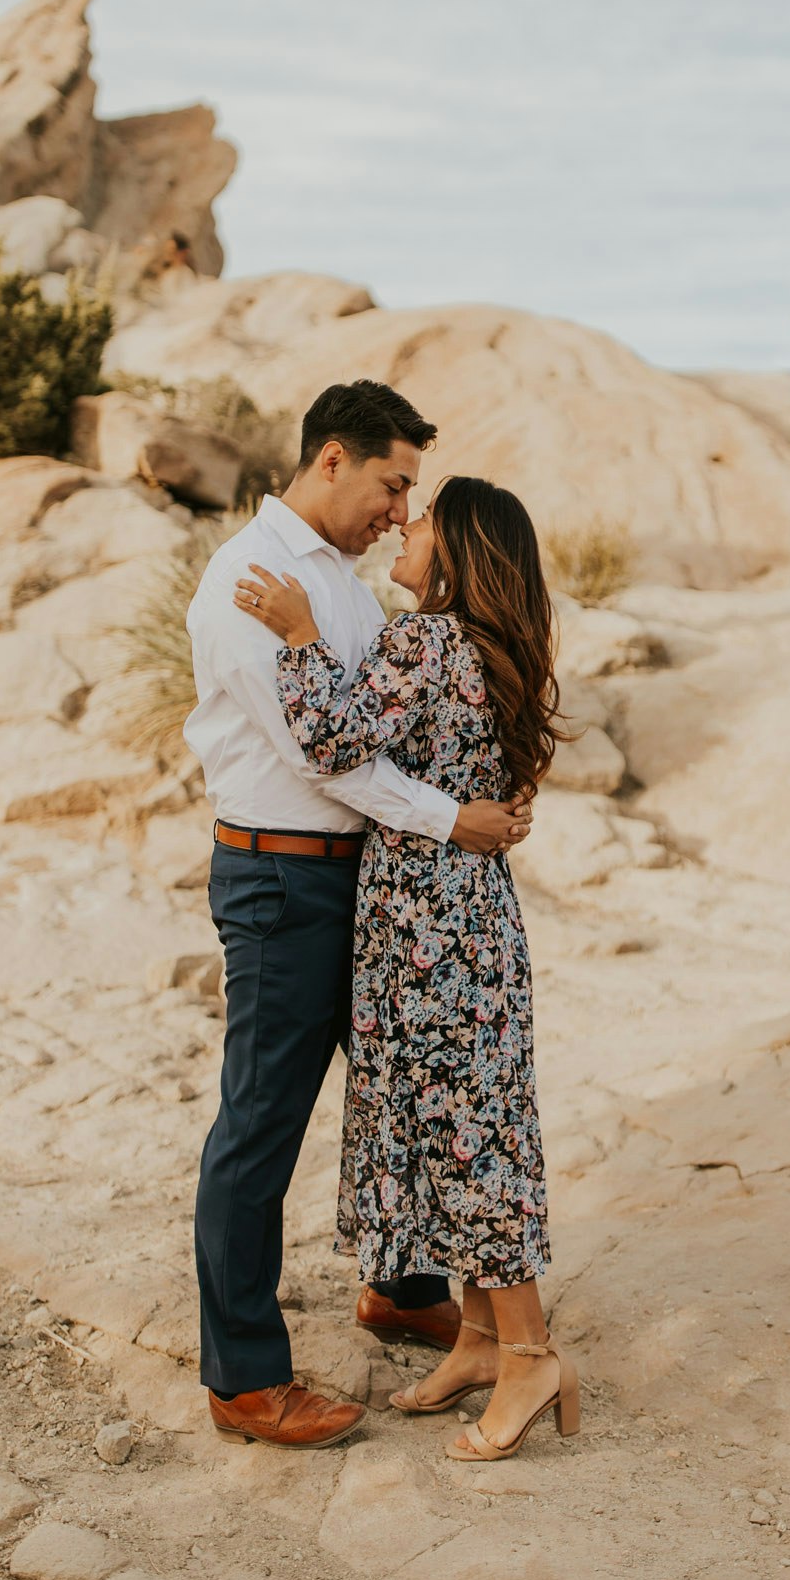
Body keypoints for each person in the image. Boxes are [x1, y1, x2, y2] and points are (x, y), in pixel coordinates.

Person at [186, 380, 533, 1451]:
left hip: (372, 883)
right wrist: (452, 821)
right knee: (262, 1123)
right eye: (393, 482)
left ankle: (401, 1285)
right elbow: (326, 759)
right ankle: (244, 1378)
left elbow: (387, 720)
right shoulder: (248, 582)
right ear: (331, 459)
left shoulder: (347, 586)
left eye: (410, 493)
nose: (399, 509)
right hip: (285, 881)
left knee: (406, 1094)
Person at [236, 473, 579, 1464]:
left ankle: (529, 1353)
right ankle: (476, 1339)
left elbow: (333, 739)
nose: (402, 527)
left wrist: (302, 637)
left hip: (423, 923)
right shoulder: (502, 648)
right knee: (473, 1120)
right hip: (479, 920)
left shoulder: (422, 641)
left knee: (464, 1139)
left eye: (420, 523)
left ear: (459, 551)